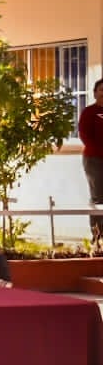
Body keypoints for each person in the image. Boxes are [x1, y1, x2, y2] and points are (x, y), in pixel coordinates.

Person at [79, 80, 103, 243]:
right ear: (95, 93)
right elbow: (84, 135)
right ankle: (98, 237)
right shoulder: (89, 112)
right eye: (101, 90)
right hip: (94, 160)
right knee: (98, 197)